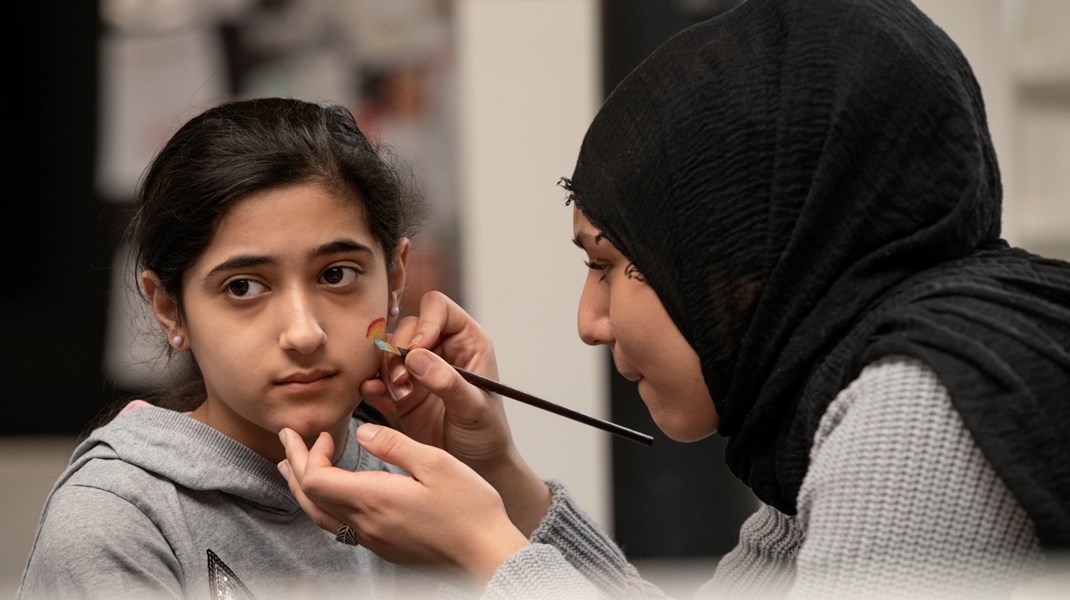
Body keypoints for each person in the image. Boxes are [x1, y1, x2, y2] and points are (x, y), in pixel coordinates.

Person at [277, 0, 1070, 598]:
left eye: (612, 262)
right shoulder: (839, 393)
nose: (589, 322)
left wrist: (483, 553)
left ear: (741, 255)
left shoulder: (918, 404)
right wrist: (502, 483)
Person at [17, 98, 446, 599]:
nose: (304, 333)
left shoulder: (425, 488)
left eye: (336, 275)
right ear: (169, 308)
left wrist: (494, 472)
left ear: (395, 279)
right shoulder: (120, 521)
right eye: (244, 287)